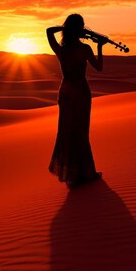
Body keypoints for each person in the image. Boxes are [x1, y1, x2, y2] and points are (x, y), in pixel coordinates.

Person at [46, 14, 105, 188]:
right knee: (81, 131)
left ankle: (72, 174)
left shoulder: (62, 49)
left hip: (65, 92)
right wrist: (100, 47)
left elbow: (49, 31)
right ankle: (85, 173)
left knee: (67, 130)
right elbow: (99, 68)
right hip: (80, 92)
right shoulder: (85, 49)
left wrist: (69, 29)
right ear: (79, 28)